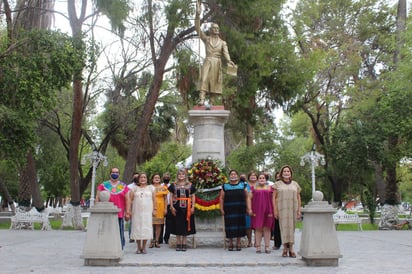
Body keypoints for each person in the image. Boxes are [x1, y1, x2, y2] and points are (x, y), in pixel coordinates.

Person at [195, 0, 236, 105]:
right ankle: (202, 99)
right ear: (211, 30)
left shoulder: (223, 43)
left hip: (217, 62)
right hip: (208, 60)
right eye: (215, 28)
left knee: (214, 82)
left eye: (218, 28)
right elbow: (197, 29)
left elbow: (226, 53)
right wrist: (197, 14)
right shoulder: (206, 39)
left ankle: (211, 102)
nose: (217, 29)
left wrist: (229, 61)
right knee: (203, 79)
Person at [96, 167, 130, 250]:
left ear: (119, 174)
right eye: (113, 172)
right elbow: (97, 198)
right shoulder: (103, 185)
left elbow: (127, 199)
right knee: (106, 231)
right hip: (106, 213)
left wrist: (128, 212)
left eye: (117, 172)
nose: (115, 174)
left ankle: (119, 248)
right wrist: (97, 209)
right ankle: (106, 248)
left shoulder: (123, 186)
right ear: (110, 173)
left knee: (119, 232)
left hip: (119, 213)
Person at [273, 165, 302, 258]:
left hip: (292, 209)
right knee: (283, 228)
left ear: (290, 173)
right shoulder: (277, 184)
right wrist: (275, 210)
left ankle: (291, 249)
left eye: (288, 171)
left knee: (291, 228)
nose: (286, 173)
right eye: (284, 171)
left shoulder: (295, 184)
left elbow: (298, 197)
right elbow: (274, 198)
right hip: (282, 209)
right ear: (281, 173)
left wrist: (299, 210)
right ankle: (285, 248)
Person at [220, 170, 248, 251]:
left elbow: (247, 197)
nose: (233, 176)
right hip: (229, 209)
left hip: (240, 208)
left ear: (237, 176)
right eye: (231, 174)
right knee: (230, 226)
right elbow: (221, 198)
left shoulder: (243, 185)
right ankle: (231, 243)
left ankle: (238, 242)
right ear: (229, 176)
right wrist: (221, 208)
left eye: (235, 174)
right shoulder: (225, 186)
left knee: (239, 225)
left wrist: (247, 207)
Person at [168, 169, 196, 251]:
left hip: (187, 207)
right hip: (177, 207)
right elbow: (171, 196)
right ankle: (178, 243)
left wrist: (193, 206)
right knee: (177, 224)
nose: (181, 175)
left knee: (185, 224)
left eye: (183, 174)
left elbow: (193, 196)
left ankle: (184, 243)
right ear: (177, 175)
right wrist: (171, 207)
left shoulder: (190, 185)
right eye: (179, 174)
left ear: (185, 176)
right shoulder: (174, 185)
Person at [128, 172, 156, 254]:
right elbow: (130, 199)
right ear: (138, 179)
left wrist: (155, 209)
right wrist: (129, 210)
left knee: (146, 228)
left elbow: (154, 200)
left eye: (144, 177)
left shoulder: (151, 188)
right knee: (137, 228)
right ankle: (138, 247)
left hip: (147, 212)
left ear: (147, 179)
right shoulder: (134, 188)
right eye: (141, 177)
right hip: (136, 211)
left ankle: (143, 247)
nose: (143, 179)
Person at [247, 172, 274, 254]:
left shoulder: (270, 188)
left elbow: (274, 199)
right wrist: (249, 209)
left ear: (266, 180)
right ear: (258, 180)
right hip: (257, 211)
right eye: (260, 178)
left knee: (267, 229)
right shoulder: (253, 188)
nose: (262, 179)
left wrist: (274, 210)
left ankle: (267, 247)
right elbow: (249, 198)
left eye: (263, 178)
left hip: (268, 210)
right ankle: (258, 247)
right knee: (258, 229)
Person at [149, 173, 168, 248]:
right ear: (152, 179)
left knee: (158, 225)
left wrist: (166, 208)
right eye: (155, 177)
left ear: (160, 179)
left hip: (161, 207)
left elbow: (166, 199)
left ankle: (157, 241)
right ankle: (151, 241)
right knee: (150, 225)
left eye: (158, 177)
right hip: (150, 206)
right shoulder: (149, 187)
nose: (157, 179)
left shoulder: (164, 188)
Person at [127, 172, 139, 243]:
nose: (136, 178)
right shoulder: (129, 186)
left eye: (137, 177)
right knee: (132, 222)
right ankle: (131, 236)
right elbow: (128, 197)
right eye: (135, 177)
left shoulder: (141, 186)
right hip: (132, 205)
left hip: (140, 205)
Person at [162, 172, 172, 244]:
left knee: (168, 223)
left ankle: (166, 238)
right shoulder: (160, 186)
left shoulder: (171, 186)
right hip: (161, 205)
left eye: (168, 177)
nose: (166, 178)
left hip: (168, 205)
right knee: (160, 222)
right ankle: (159, 238)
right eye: (165, 177)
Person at [272, 171, 282, 250]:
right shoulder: (274, 186)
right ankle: (277, 243)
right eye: (277, 177)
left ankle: (288, 244)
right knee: (277, 226)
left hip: (286, 207)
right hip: (277, 207)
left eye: (280, 176)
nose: (278, 178)